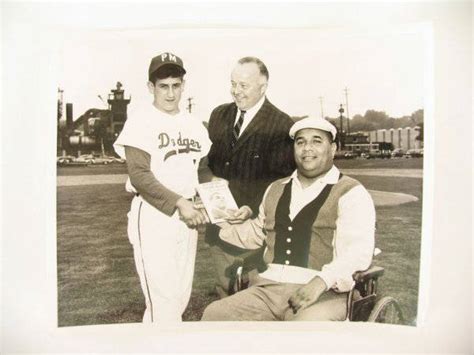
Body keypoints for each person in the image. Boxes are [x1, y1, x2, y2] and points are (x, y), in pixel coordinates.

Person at [201, 117, 376, 321]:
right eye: (300, 142)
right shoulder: (275, 189)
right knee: (216, 314)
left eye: (316, 141)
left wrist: (321, 281)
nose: (307, 148)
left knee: (303, 332)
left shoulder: (350, 192)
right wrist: (216, 217)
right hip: (267, 289)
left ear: (333, 148)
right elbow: (255, 235)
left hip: (324, 292)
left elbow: (357, 252)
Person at [114, 52, 210, 322]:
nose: (170, 93)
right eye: (163, 86)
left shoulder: (193, 124)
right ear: (150, 87)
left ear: (183, 86)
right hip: (155, 215)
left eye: (176, 85)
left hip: (188, 215)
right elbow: (140, 176)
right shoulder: (140, 121)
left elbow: (202, 169)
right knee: (163, 302)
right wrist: (180, 202)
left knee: (179, 297)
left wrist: (213, 196)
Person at [204, 56, 296, 297]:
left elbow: (280, 182)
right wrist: (210, 179)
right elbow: (207, 162)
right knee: (224, 294)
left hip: (253, 231)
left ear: (263, 87)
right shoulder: (219, 115)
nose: (236, 91)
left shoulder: (281, 123)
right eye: (233, 84)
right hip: (219, 228)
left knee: (251, 300)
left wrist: (251, 206)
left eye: (243, 85)